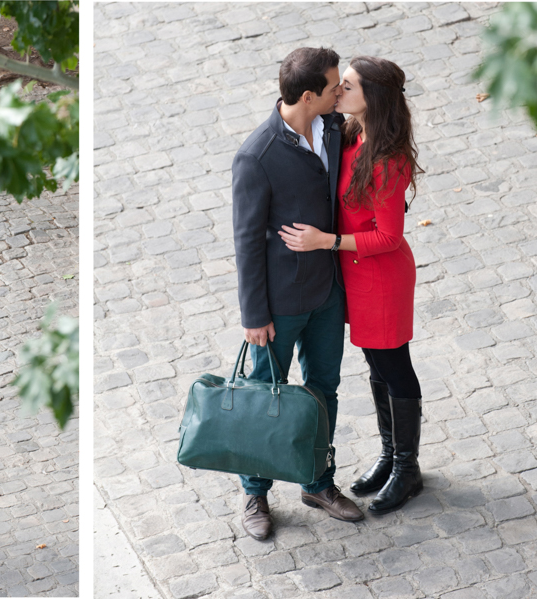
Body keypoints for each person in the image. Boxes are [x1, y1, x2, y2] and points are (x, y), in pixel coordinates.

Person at [279, 55, 424, 515]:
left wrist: (327, 240)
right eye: (339, 85)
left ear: (372, 97)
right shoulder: (350, 132)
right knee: (377, 366)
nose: (338, 92)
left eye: (348, 86)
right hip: (355, 276)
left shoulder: (387, 159)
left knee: (394, 365)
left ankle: (407, 468)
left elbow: (388, 235)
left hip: (381, 276)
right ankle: (389, 456)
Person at [231, 46, 364, 541]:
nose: (340, 92)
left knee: (322, 391)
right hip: (278, 306)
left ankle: (317, 482)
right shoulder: (256, 156)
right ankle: (254, 492)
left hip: (327, 291)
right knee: (262, 398)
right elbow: (245, 241)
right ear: (309, 96)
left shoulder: (331, 126)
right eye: (334, 87)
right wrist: (253, 314)